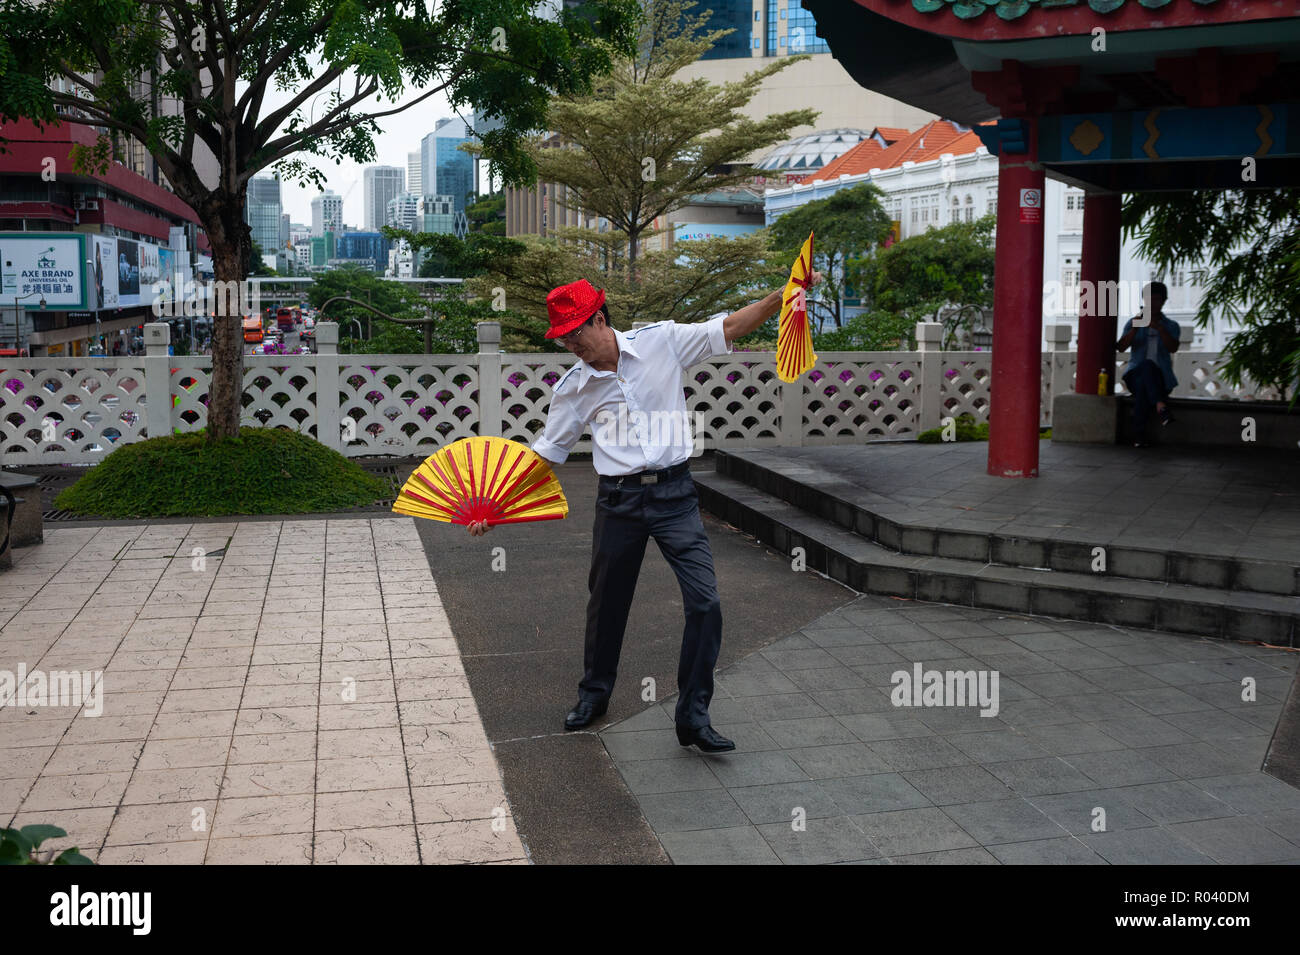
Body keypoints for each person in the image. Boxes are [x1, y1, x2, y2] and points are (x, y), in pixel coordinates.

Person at [467, 277, 819, 753]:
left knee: (705, 603)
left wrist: (786, 294)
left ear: (600, 319)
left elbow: (731, 326)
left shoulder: (662, 343)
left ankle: (693, 716)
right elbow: (546, 454)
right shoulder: (574, 388)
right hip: (619, 502)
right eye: (564, 339)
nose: (573, 346)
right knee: (607, 604)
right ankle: (594, 695)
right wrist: (498, 505)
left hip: (675, 495)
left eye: (577, 333)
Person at [1116, 281, 1180, 447]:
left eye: (1157, 300)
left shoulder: (1171, 326)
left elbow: (1173, 348)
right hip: (1134, 375)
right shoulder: (1133, 322)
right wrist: (1135, 328)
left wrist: (1160, 329)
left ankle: (1139, 437)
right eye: (1149, 300)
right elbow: (1121, 347)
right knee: (1145, 367)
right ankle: (1161, 406)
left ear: (1164, 301)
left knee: (1146, 381)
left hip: (1162, 378)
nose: (1153, 304)